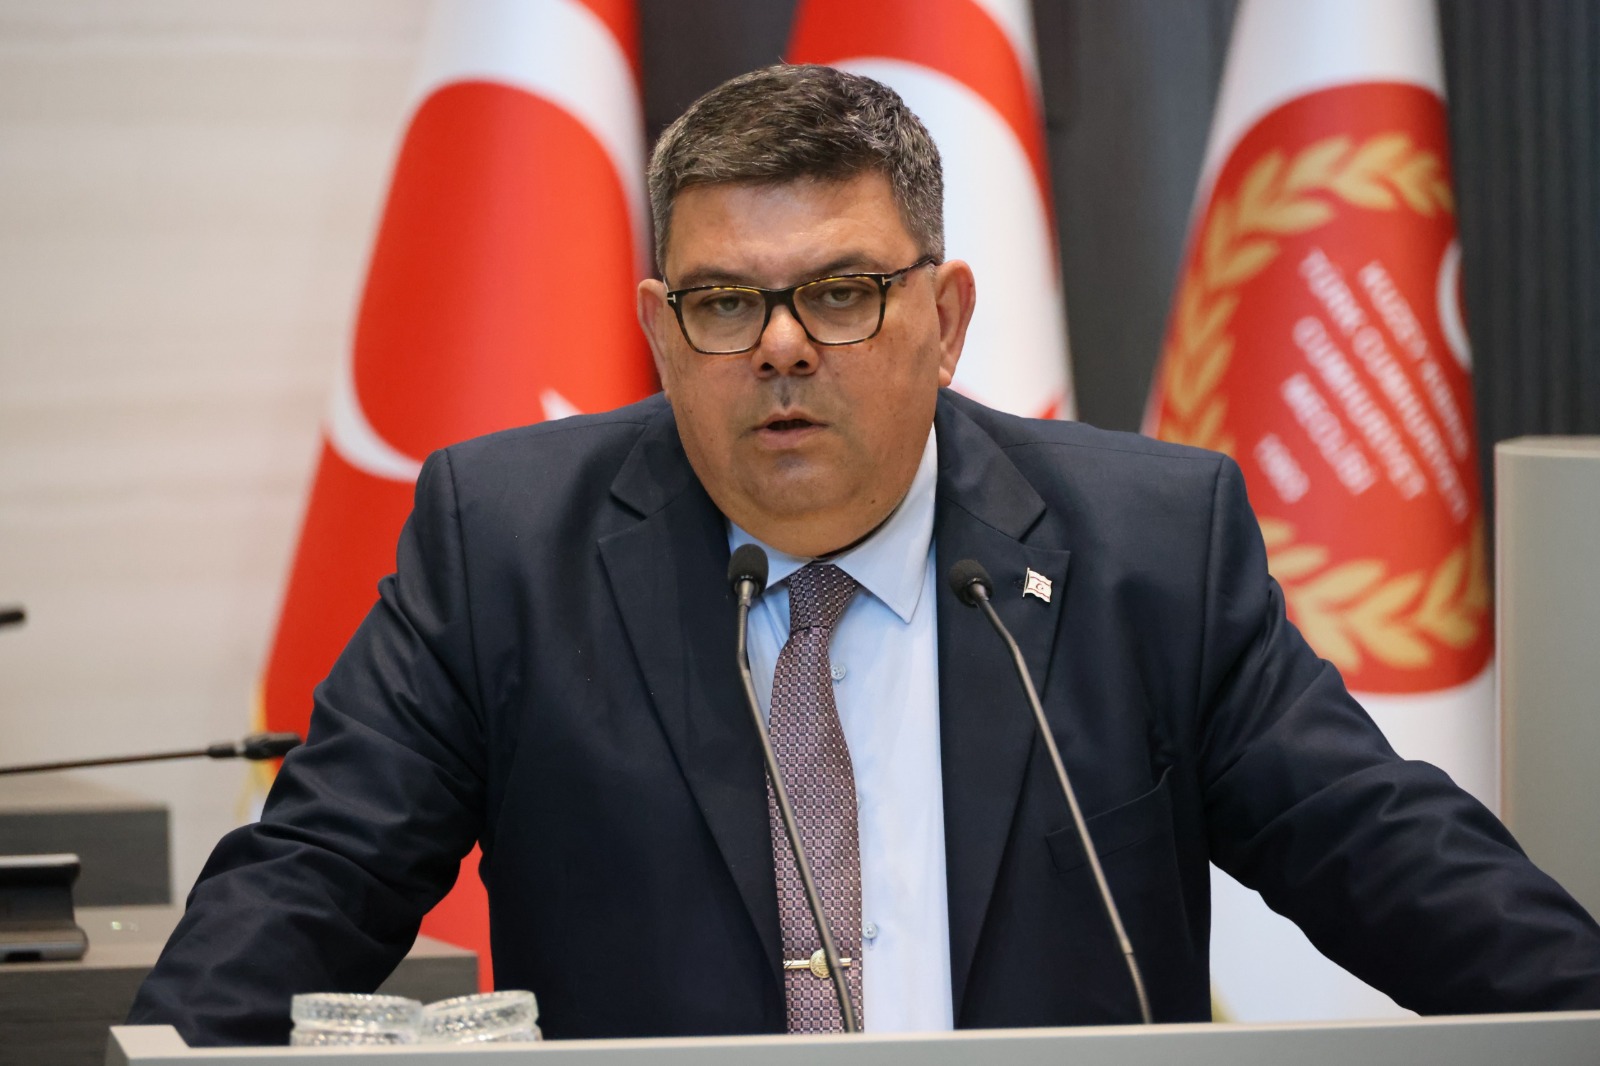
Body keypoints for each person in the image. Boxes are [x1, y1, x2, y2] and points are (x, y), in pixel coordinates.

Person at [129, 64, 1600, 1046]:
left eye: (840, 292)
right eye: (724, 303)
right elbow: (314, 877)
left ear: (945, 318)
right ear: (658, 330)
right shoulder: (505, 547)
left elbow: (1384, 851)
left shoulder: (1148, 547)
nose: (780, 347)